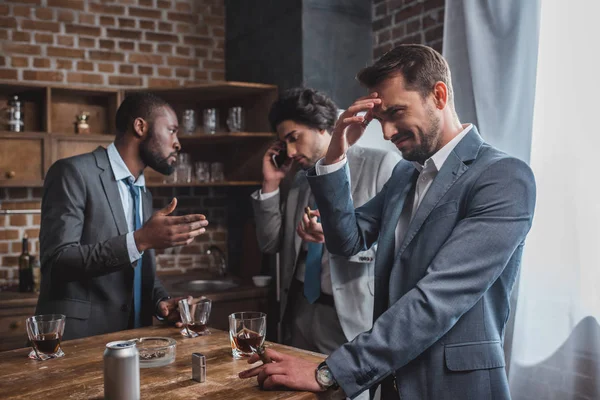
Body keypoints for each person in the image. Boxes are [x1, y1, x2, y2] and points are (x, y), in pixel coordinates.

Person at [240, 44, 536, 400]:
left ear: (438, 95)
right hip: (393, 382)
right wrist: (335, 157)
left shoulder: (503, 177)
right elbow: (346, 241)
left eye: (397, 112)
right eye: (381, 120)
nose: (387, 132)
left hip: (455, 386)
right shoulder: (403, 176)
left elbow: (436, 300)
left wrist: (328, 372)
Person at [36, 93, 208, 340]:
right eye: (171, 130)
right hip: (78, 342)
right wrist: (139, 240)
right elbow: (57, 261)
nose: (178, 143)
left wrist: (161, 302)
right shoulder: (72, 173)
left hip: (132, 340)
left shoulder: (142, 192)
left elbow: (134, 270)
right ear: (140, 127)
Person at [251, 88, 399, 355]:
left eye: (294, 138)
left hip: (350, 318)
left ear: (322, 127)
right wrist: (271, 183)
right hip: (297, 312)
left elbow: (397, 246)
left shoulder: (381, 165)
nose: (291, 151)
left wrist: (337, 235)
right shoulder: (299, 181)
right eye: (284, 143)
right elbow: (270, 243)